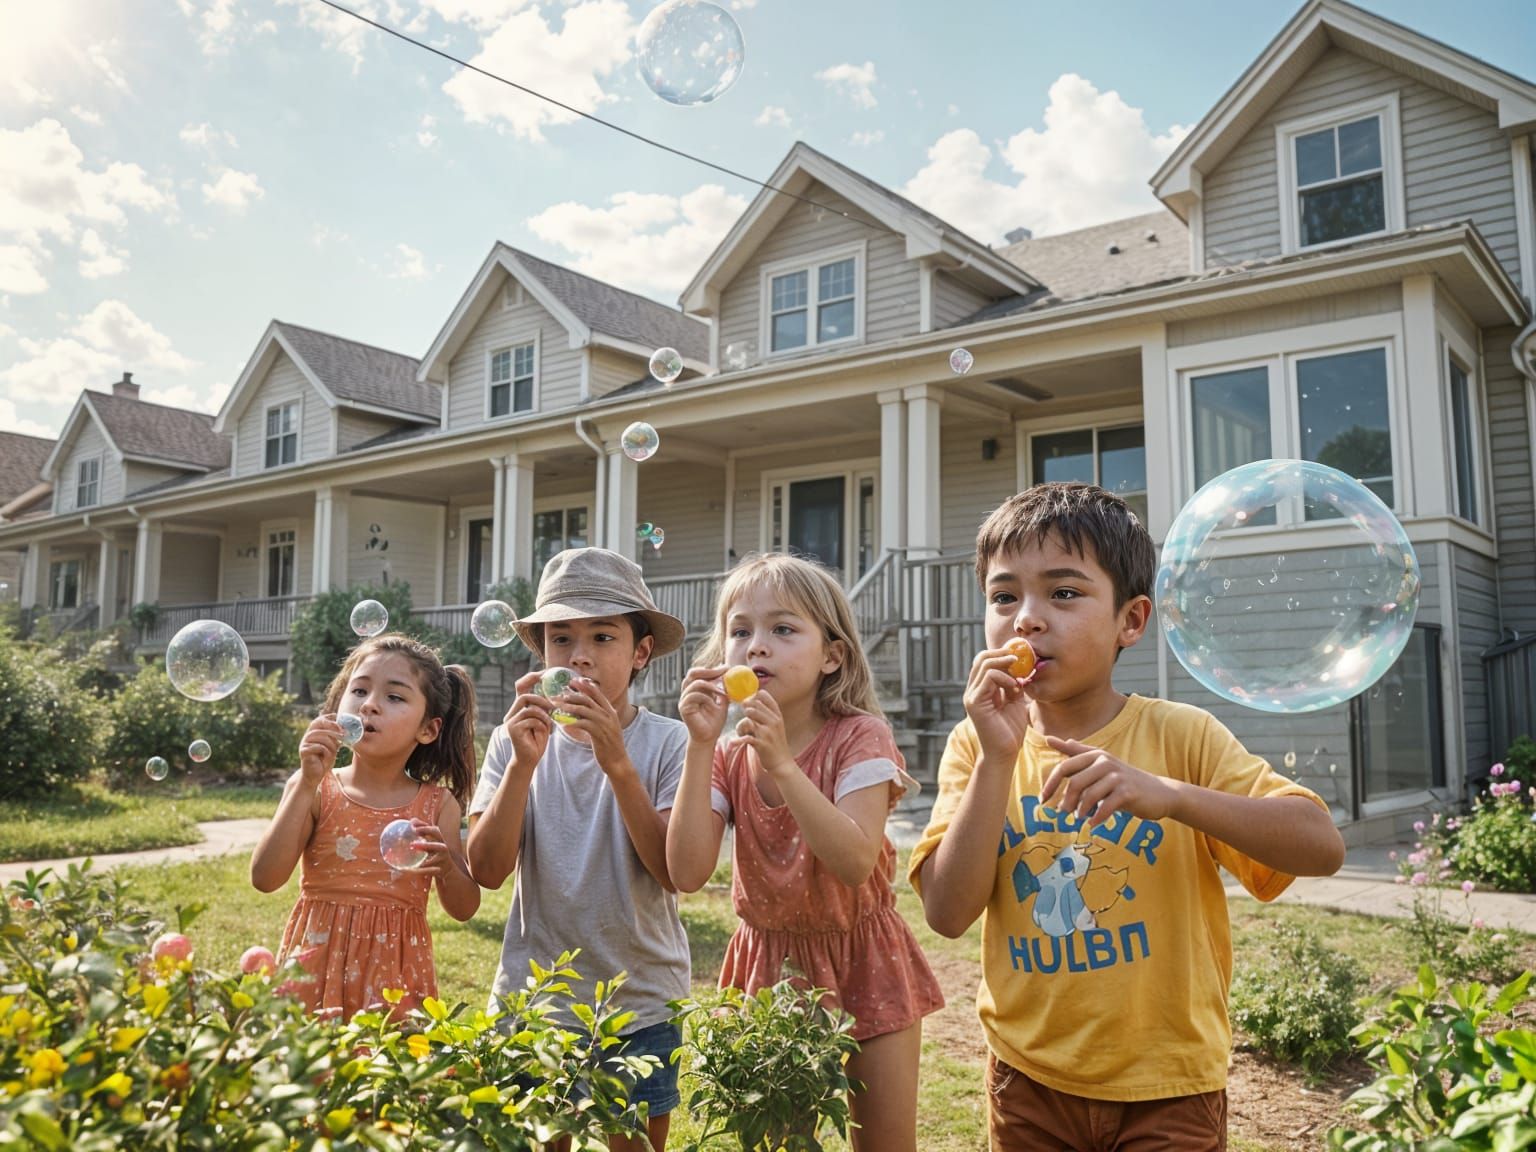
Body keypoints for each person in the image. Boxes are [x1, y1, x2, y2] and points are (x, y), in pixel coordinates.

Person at [910, 482, 1347, 1150]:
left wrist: (1173, 796)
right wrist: (998, 759)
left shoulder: (1181, 736)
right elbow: (946, 912)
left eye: (1063, 593)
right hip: (1028, 1078)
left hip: (1169, 1087)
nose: (1026, 619)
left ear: (1131, 621)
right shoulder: (977, 745)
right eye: (1004, 597)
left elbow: (1321, 846)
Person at [668, 551, 944, 1152]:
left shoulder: (860, 736)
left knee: (885, 1144)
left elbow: (854, 861)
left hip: (864, 955)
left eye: (783, 629)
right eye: (740, 631)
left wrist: (782, 766)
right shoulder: (725, 753)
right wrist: (698, 744)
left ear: (831, 656)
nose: (756, 646)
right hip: (770, 967)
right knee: (783, 1144)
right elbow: (687, 872)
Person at [466, 547, 690, 1152]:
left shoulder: (669, 743)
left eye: (603, 636)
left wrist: (617, 761)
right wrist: (521, 765)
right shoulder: (513, 741)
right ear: (542, 652)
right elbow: (486, 870)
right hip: (536, 998)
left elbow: (671, 870)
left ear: (641, 652)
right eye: (561, 638)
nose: (579, 654)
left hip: (640, 999)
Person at [250, 632, 481, 1019]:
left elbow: (464, 909)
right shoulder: (316, 789)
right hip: (316, 968)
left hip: (394, 977)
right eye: (359, 690)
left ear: (428, 729)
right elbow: (265, 878)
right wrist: (305, 783)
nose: (369, 704)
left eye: (394, 697)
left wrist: (446, 867)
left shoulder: (437, 805)